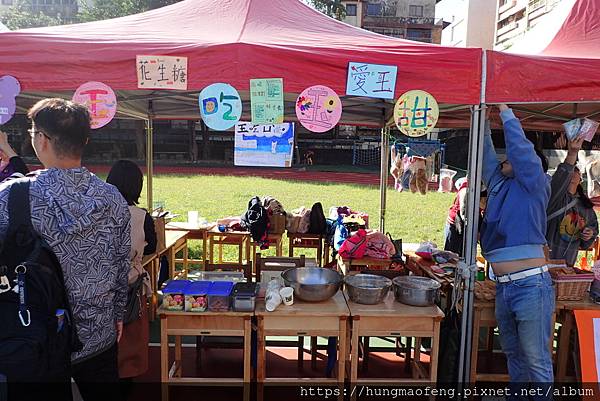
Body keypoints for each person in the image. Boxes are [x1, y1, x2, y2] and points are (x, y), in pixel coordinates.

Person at [0, 98, 131, 401]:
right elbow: (121, 263)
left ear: (41, 139)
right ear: (84, 141)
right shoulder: (112, 198)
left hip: (33, 332)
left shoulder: (11, 197)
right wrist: (117, 313)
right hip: (99, 331)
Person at [480, 104, 554, 397]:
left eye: (509, 157)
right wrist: (484, 122)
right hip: (505, 288)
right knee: (514, 357)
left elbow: (522, 151)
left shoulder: (534, 183)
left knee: (536, 362)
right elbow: (485, 156)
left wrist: (506, 114)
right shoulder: (500, 182)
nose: (504, 159)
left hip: (530, 285)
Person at [106, 160, 156, 393]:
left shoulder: (97, 210)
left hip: (99, 286)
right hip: (130, 287)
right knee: (129, 345)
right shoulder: (141, 216)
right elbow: (151, 247)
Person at [546, 136, 598, 266]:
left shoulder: (586, 207)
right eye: (570, 171)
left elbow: (590, 237)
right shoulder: (554, 197)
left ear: (580, 178)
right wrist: (572, 153)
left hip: (568, 263)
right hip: (543, 260)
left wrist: (589, 234)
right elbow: (563, 173)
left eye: (576, 171)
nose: (572, 174)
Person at [443, 177, 468, 255]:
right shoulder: (466, 188)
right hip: (456, 222)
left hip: (466, 223)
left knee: (465, 254)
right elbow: (463, 212)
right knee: (451, 255)